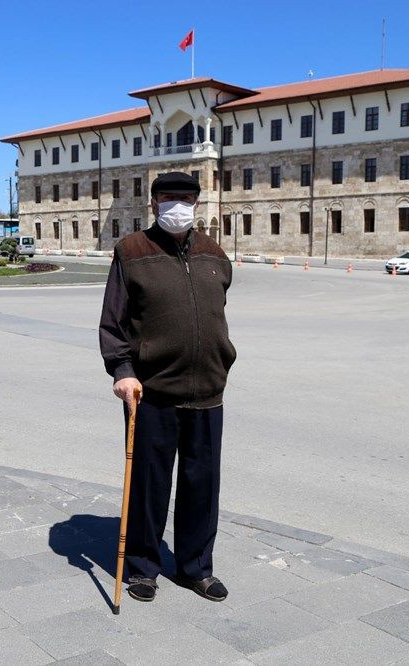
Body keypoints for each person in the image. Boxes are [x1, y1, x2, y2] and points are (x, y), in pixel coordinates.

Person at [99, 171, 236, 603]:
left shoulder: (215, 253)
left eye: (187, 198)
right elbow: (114, 320)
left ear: (198, 203)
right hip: (151, 391)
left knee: (202, 485)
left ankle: (196, 567)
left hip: (207, 390)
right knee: (148, 485)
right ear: (154, 202)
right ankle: (142, 567)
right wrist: (122, 370)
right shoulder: (132, 251)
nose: (178, 205)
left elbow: (216, 312)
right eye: (169, 197)